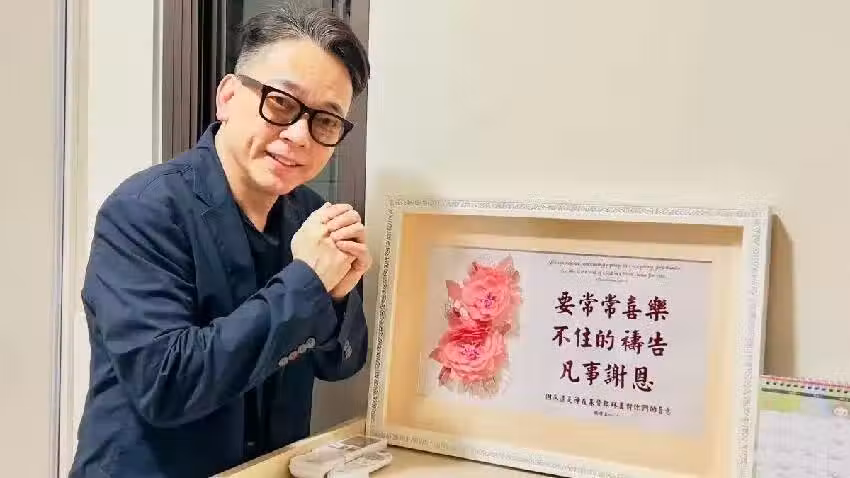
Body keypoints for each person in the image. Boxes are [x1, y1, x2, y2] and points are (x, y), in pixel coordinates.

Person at [69, 5, 371, 477]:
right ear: (228, 97)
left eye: (326, 121)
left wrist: (334, 299)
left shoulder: (312, 216)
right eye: (281, 102)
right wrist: (308, 283)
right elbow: (167, 384)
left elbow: (340, 364)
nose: (299, 136)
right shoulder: (144, 210)